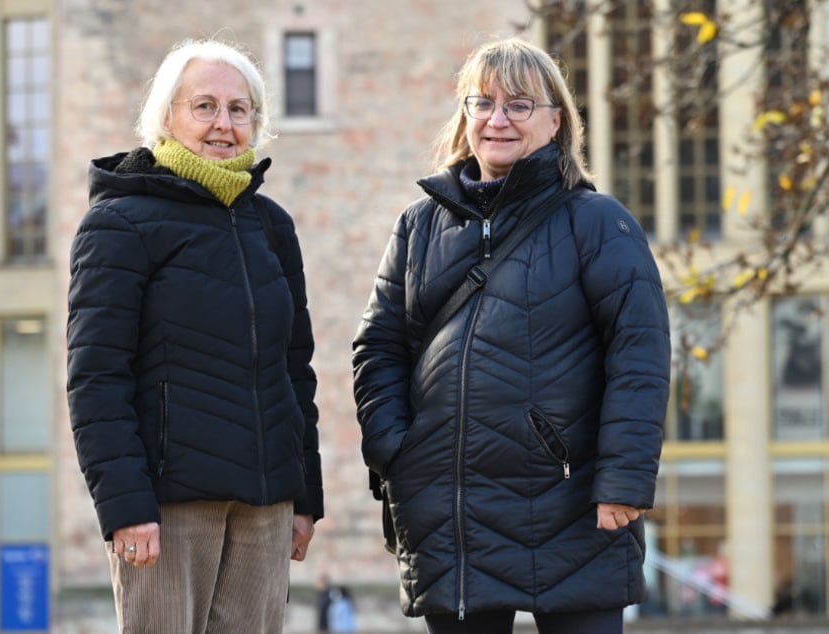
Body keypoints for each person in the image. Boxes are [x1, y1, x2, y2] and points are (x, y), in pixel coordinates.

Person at [351, 37, 671, 634]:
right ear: (465, 116)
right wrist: (396, 449)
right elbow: (379, 347)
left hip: (574, 508)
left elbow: (640, 357)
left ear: (556, 121)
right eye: (483, 103)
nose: (498, 119)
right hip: (452, 513)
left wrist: (625, 480)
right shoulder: (418, 226)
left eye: (519, 105)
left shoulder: (599, 222)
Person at [66, 38, 323, 633]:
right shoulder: (119, 223)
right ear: (167, 118)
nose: (223, 124)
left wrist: (304, 495)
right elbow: (96, 378)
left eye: (239, 110)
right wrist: (125, 506)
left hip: (264, 506)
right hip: (167, 506)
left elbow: (296, 369)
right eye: (204, 106)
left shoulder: (272, 226)